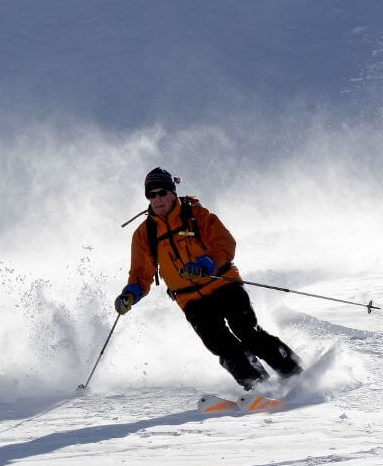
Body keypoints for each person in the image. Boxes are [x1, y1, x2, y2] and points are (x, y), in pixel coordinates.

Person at [115, 167, 301, 390]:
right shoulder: (145, 234)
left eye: (162, 192)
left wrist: (206, 263)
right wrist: (131, 293)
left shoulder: (196, 215)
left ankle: (293, 372)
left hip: (223, 285)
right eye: (151, 194)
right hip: (190, 300)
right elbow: (140, 272)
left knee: (247, 332)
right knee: (221, 345)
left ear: (173, 192)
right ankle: (259, 386)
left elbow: (224, 243)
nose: (157, 199)